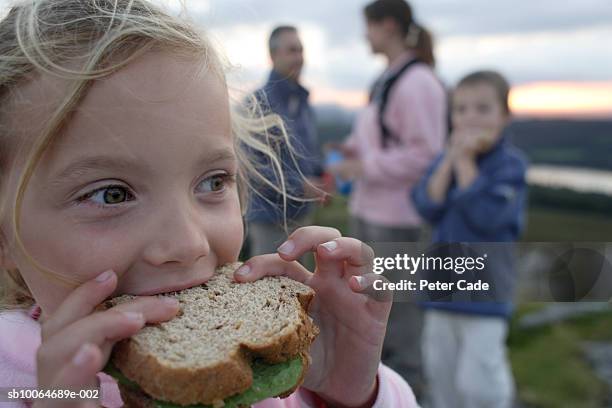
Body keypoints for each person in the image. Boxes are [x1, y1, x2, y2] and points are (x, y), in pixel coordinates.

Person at [0, 1, 420, 407]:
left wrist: (347, 391)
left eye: (214, 181)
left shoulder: (266, 374)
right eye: (112, 194)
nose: (188, 244)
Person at [326, 0, 446, 400]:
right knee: (375, 316)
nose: (365, 35)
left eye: (369, 27)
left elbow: (426, 154)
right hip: (373, 212)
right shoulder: (388, 79)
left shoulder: (419, 82)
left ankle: (412, 395)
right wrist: (351, 153)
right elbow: (383, 144)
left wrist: (364, 167)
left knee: (402, 322)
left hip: (398, 217)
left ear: (389, 26)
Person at [412, 70, 528, 408]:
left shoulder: (511, 167)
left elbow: (487, 217)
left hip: (486, 295)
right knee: (441, 374)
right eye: (461, 110)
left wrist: (463, 161)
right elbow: (426, 204)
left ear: (504, 116)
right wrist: (449, 159)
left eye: (482, 109)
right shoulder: (444, 161)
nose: (470, 118)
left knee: (479, 381)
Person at [246, 25, 327, 257]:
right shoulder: (258, 104)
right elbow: (253, 168)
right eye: (292, 50)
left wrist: (322, 172)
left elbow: (306, 154)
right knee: (271, 288)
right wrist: (300, 186)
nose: (299, 57)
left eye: (301, 50)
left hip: (303, 216)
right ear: (273, 56)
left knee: (303, 289)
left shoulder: (303, 101)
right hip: (270, 221)